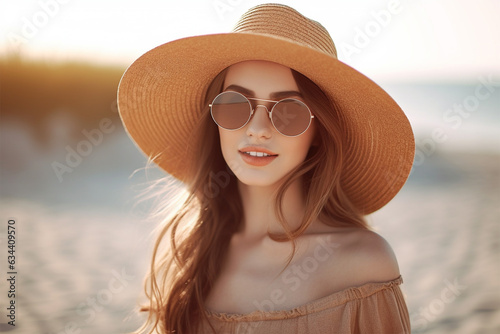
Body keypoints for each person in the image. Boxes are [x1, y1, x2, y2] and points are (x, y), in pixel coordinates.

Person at [118, 3, 414, 334]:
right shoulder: (186, 258)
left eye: (289, 111)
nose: (257, 128)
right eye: (234, 105)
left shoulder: (363, 265)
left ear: (318, 133)